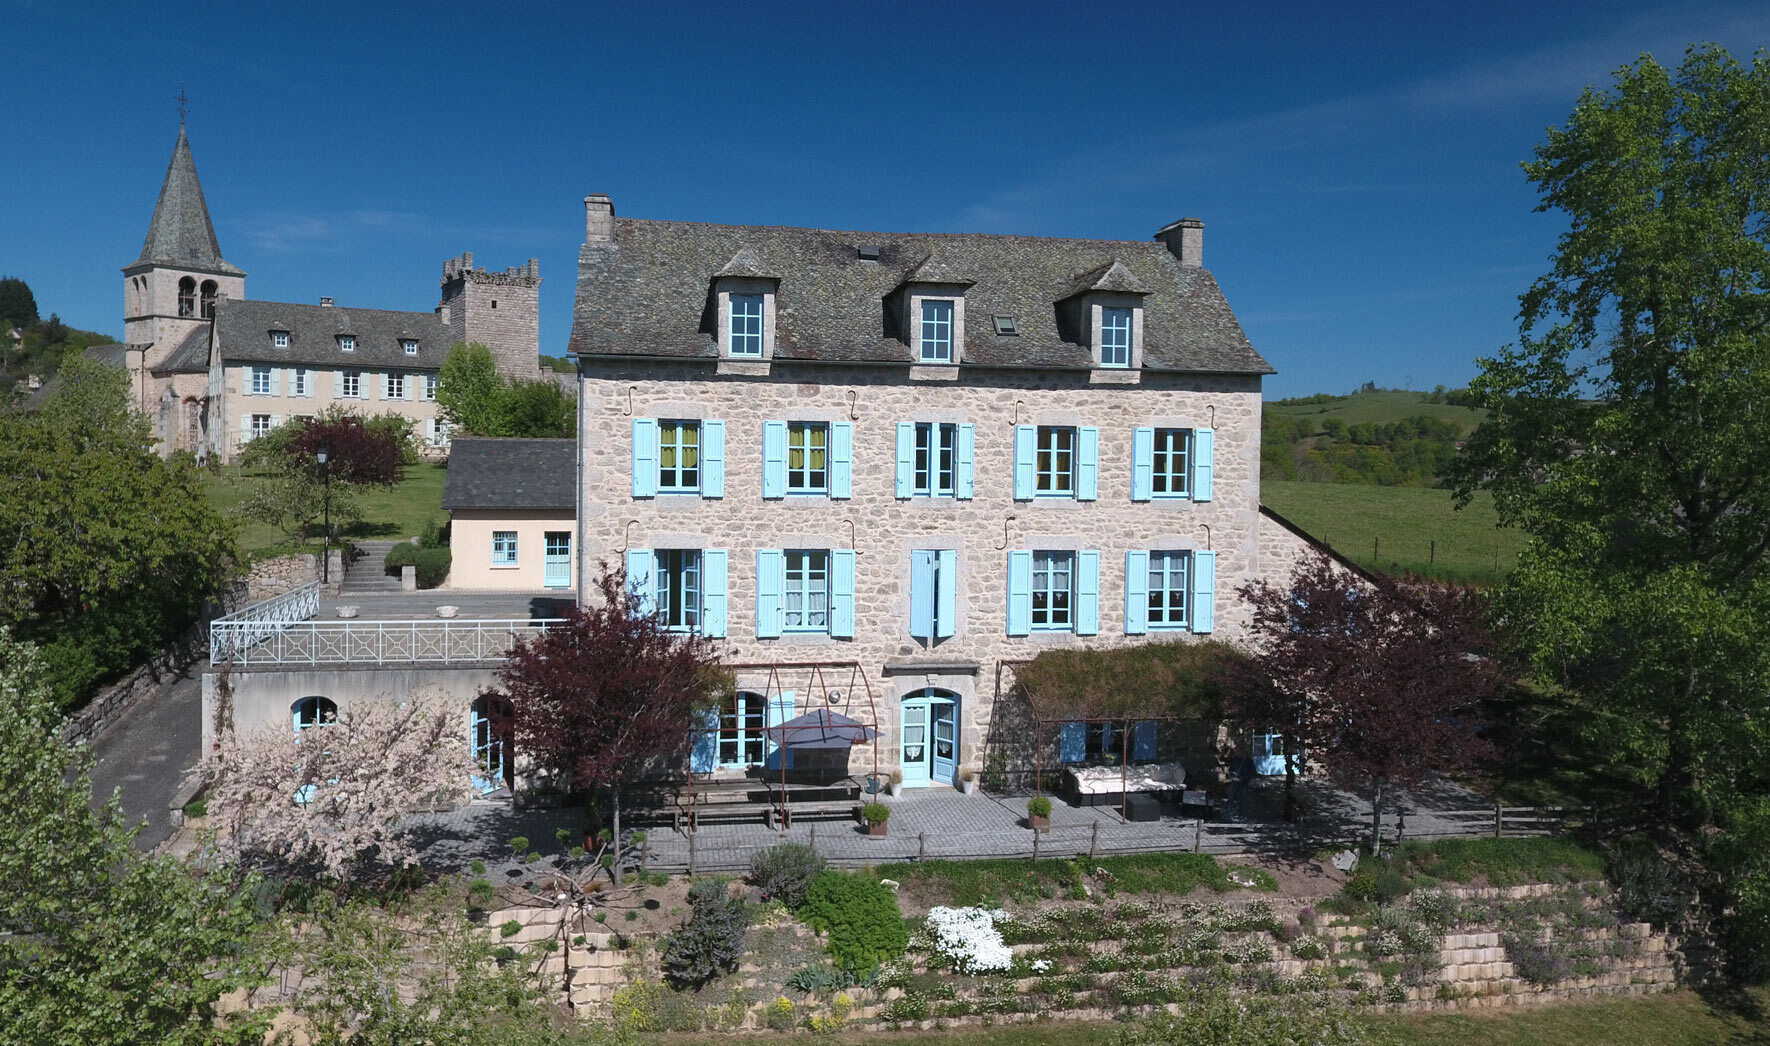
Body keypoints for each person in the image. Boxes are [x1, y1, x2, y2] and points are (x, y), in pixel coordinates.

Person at [1226, 745, 1255, 822]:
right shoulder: (1234, 759)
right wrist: (1231, 775)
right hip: (1234, 782)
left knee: (1243, 801)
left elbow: (1252, 773)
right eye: (1237, 751)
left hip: (1243, 783)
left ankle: (1241, 817)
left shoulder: (1248, 761)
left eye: (1239, 751)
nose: (1238, 752)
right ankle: (1228, 816)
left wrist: (1244, 777)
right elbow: (1230, 769)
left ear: (1243, 751)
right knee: (1230, 799)